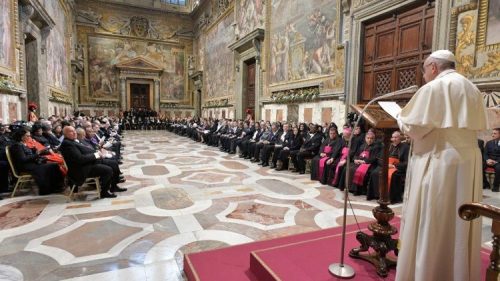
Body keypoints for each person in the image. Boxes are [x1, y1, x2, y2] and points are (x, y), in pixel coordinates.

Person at [395, 50, 488, 281]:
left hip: (440, 162)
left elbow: (415, 128)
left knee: (434, 221)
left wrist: (398, 115)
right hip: (468, 163)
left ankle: (429, 273)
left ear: (434, 67)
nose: (425, 76)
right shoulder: (472, 88)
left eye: (425, 70)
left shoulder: (434, 88)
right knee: (460, 223)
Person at [59, 126, 117, 198]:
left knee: (113, 163)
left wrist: (98, 152)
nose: (74, 132)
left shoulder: (72, 141)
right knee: (108, 170)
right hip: (82, 169)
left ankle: (114, 186)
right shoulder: (67, 144)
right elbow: (80, 159)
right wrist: (96, 155)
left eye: (74, 130)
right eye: (71, 131)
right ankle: (104, 192)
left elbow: (85, 151)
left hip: (88, 163)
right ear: (65, 134)